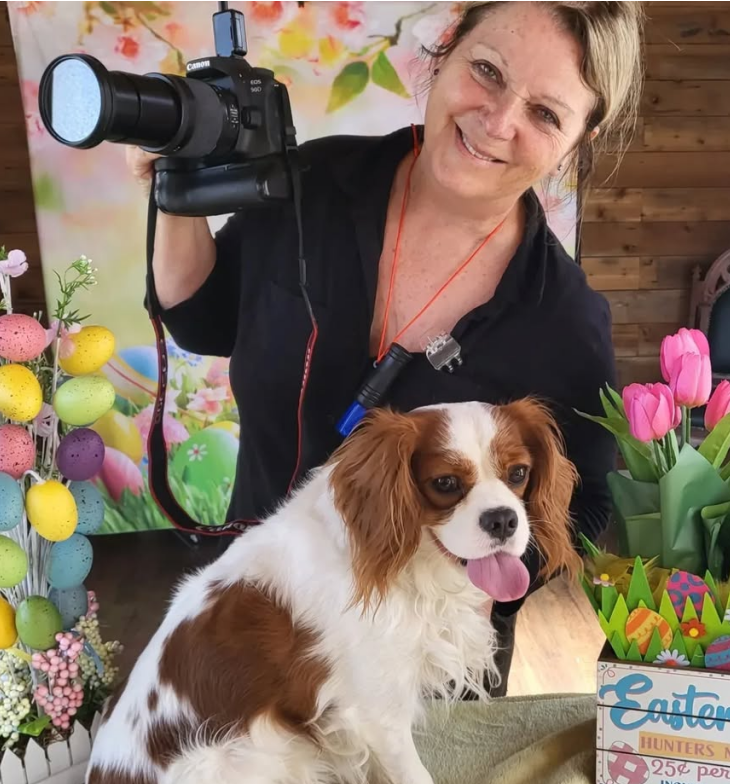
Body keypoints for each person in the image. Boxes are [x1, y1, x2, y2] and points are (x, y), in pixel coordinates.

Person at [131, 1, 644, 695]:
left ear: (579, 141)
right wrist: (175, 192)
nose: (498, 122)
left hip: (415, 680)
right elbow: (202, 319)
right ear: (446, 52)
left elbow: (573, 521)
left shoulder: (563, 322)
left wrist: (444, 582)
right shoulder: (312, 185)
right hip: (256, 626)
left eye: (547, 114)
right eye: (487, 71)